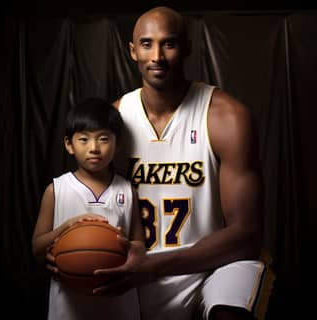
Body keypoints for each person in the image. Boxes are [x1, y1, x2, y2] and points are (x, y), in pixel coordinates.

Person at [92, 6, 275, 320]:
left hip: (215, 264)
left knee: (230, 312)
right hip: (139, 266)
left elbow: (247, 233)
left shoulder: (226, 117)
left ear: (187, 48)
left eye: (169, 43)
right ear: (132, 51)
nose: (157, 57)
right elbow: (92, 202)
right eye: (147, 44)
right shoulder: (115, 121)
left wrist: (156, 266)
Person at [31, 97, 146, 320]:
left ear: (117, 143)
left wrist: (128, 250)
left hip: (118, 304)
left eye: (103, 139)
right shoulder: (56, 190)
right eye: (84, 139)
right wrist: (65, 228)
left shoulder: (127, 190)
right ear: (69, 145)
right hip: (69, 306)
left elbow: (139, 244)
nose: (94, 148)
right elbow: (36, 248)